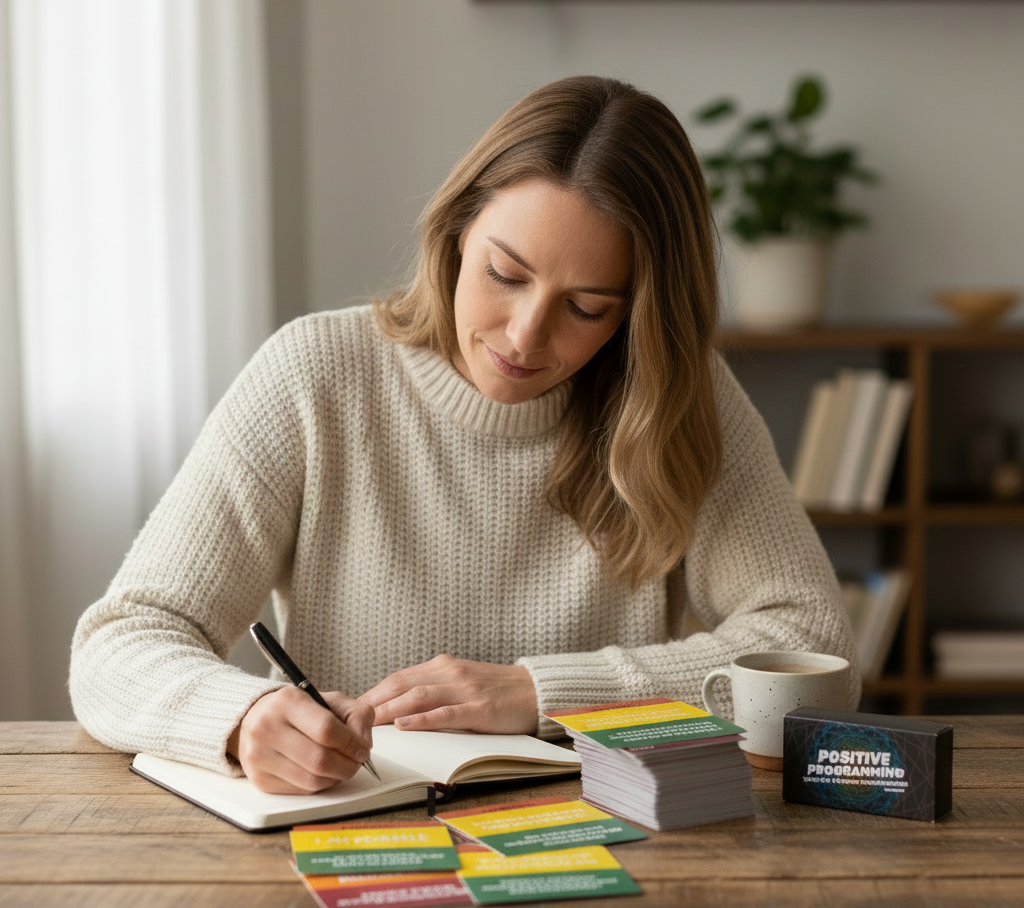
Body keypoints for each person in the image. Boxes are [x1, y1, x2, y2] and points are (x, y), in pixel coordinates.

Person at [70, 76, 859, 795]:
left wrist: (540, 693)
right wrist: (242, 719)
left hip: (601, 844)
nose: (523, 335)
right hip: (351, 842)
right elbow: (120, 643)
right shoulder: (315, 375)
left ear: (634, 317)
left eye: (586, 308)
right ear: (456, 231)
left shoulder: (675, 400)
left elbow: (813, 643)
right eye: (506, 275)